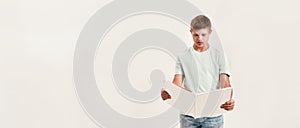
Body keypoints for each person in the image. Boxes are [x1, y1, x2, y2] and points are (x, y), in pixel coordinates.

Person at [161, 15, 235, 128]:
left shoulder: (219, 56)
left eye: (203, 35)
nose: (200, 38)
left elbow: (225, 83)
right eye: (196, 35)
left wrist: (228, 100)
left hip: (213, 116)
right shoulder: (183, 56)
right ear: (191, 32)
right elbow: (176, 84)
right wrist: (168, 93)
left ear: (210, 32)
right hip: (188, 116)